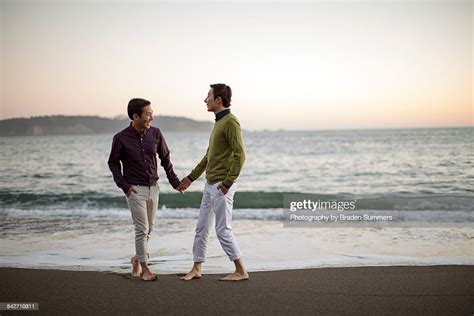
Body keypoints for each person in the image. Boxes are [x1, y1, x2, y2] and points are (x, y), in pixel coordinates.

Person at [178, 83, 249, 281]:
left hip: (221, 186)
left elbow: (240, 155)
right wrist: (190, 178)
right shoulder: (218, 122)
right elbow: (208, 157)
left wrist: (227, 183)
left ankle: (241, 270)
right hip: (210, 185)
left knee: (222, 230)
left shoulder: (231, 122)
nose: (205, 99)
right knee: (201, 228)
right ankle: (197, 267)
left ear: (218, 100)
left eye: (208, 96)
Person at [108, 98, 183, 281]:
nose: (152, 117)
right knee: (141, 229)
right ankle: (145, 267)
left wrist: (175, 183)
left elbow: (165, 159)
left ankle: (136, 259)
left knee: (149, 229)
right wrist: (124, 186)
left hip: (153, 189)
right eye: (148, 114)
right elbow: (113, 163)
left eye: (151, 113)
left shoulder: (155, 134)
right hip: (135, 190)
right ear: (135, 116)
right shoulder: (120, 138)